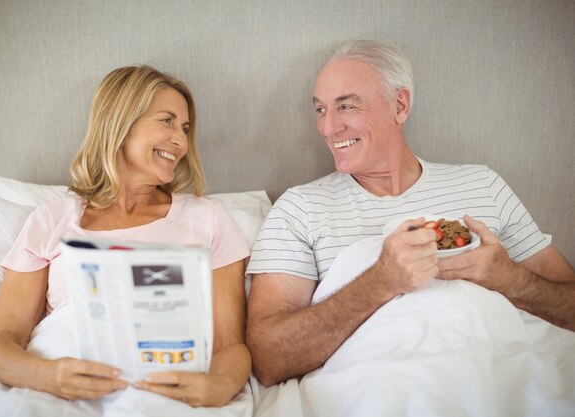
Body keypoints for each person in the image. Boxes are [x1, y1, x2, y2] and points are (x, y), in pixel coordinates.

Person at [245, 40, 575, 387]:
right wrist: (380, 281)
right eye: (321, 109)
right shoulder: (301, 208)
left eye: (346, 107)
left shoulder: (483, 184)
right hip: (383, 387)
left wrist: (510, 279)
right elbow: (269, 359)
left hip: (499, 376)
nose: (328, 128)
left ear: (399, 105)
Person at [0, 65, 252, 407]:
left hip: (162, 387)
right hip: (60, 388)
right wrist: (48, 376)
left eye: (184, 128)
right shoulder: (52, 220)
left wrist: (220, 385)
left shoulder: (209, 219)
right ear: (121, 124)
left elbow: (230, 345)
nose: (181, 141)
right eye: (166, 120)